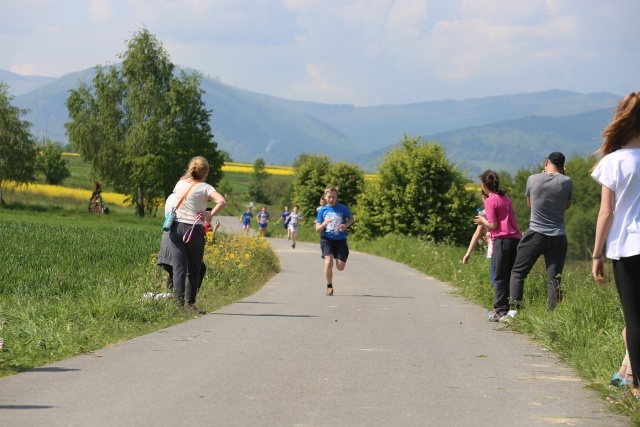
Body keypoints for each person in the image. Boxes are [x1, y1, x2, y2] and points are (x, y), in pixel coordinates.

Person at [591, 92, 640, 397]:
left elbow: (606, 212)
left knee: (633, 321)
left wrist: (596, 254)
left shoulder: (614, 162)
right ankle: (627, 371)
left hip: (626, 247)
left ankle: (634, 385)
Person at [508, 152, 573, 314]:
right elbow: (566, 206)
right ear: (562, 167)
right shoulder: (567, 182)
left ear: (546, 162)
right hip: (558, 235)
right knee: (554, 278)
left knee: (518, 272)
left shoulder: (533, 179)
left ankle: (514, 310)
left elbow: (530, 205)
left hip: (536, 233)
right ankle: (553, 314)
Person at [168, 156, 226, 314]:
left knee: (178, 268)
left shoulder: (179, 184)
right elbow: (221, 201)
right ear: (205, 173)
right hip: (194, 230)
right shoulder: (205, 187)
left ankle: (178, 306)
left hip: (176, 227)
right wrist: (210, 214)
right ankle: (190, 303)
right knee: (195, 268)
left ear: (190, 168)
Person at [474, 170, 521, 322]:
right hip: (514, 239)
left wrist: (482, 221)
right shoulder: (504, 197)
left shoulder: (490, 200)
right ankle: (512, 306)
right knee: (510, 273)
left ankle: (500, 310)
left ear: (483, 185)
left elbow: (493, 224)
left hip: (501, 240)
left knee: (499, 275)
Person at [316, 185, 355, 296]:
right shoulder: (322, 211)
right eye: (329, 197)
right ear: (325, 197)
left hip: (340, 240)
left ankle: (342, 252)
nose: (331, 199)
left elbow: (352, 218)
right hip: (327, 239)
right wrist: (324, 223)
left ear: (336, 197)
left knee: (340, 267)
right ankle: (329, 287)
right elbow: (317, 229)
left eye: (333, 197)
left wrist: (346, 225)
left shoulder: (343, 208)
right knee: (328, 263)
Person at [462, 192, 496, 288]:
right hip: (502, 245)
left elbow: (478, 233)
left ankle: (502, 301)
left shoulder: (485, 214)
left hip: (497, 247)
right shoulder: (483, 214)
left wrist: (468, 253)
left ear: (483, 197)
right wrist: (468, 253)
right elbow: (477, 233)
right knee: (500, 277)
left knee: (497, 278)